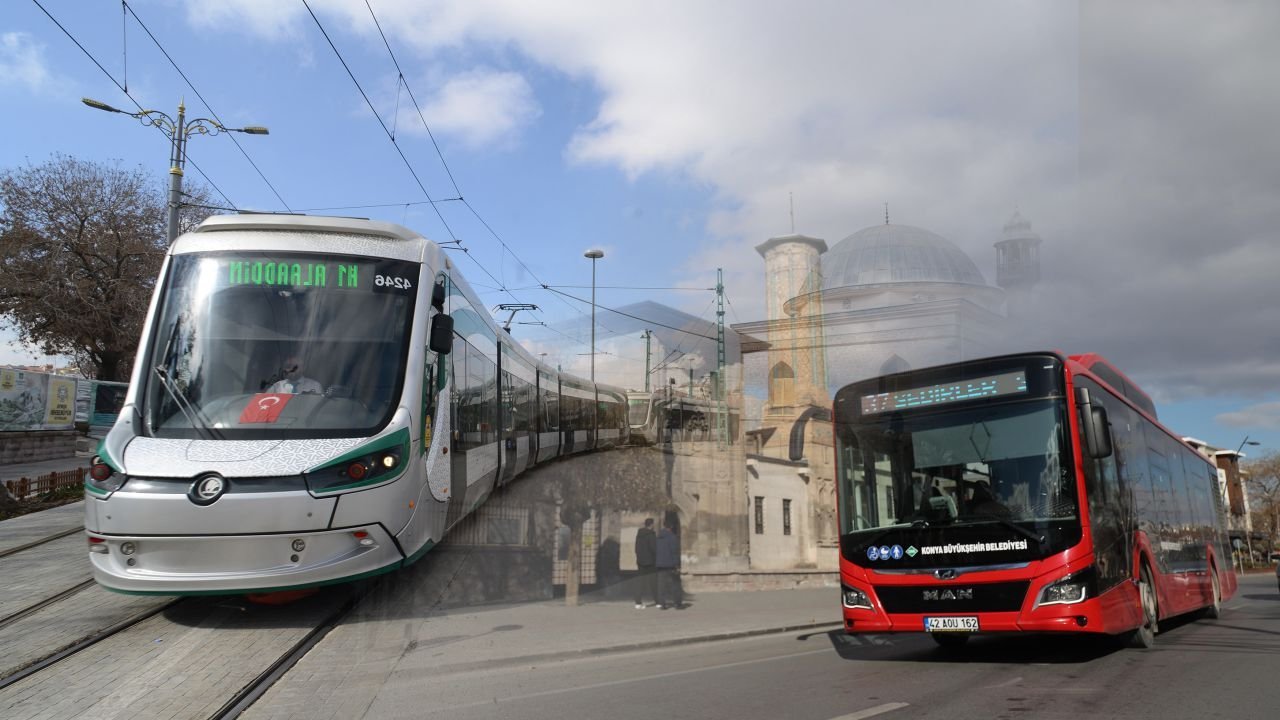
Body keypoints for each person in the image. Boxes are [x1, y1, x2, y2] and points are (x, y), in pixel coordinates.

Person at [655, 519, 683, 609]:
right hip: (670, 564)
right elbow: (674, 552)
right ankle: (677, 603)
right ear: (671, 527)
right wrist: (677, 565)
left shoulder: (658, 537)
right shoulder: (672, 537)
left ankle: (662, 604)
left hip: (660, 564)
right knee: (675, 584)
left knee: (661, 585)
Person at [633, 518, 658, 609]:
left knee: (640, 582)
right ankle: (658, 602)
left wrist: (639, 557)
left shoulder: (639, 535)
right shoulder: (651, 535)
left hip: (640, 561)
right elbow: (654, 549)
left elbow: (636, 548)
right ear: (651, 525)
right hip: (650, 562)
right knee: (653, 582)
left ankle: (638, 602)